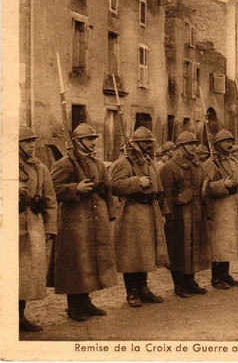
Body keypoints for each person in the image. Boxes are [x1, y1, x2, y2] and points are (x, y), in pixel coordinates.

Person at [50, 123, 118, 321]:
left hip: (97, 220)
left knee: (91, 261)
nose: (93, 142)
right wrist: (75, 188)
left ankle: (86, 301)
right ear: (77, 141)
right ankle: (74, 306)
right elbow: (52, 189)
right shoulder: (65, 163)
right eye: (89, 139)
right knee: (75, 263)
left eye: (94, 139)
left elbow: (108, 190)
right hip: (75, 221)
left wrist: (110, 213)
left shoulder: (97, 164)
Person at [111, 127, 170, 307]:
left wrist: (163, 211)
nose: (148, 146)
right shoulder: (124, 163)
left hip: (150, 210)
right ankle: (132, 292)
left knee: (145, 253)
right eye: (145, 143)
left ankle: (144, 289)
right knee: (132, 254)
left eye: (150, 143)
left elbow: (159, 189)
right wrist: (137, 182)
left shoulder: (150, 163)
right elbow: (115, 185)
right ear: (134, 144)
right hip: (132, 212)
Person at [160, 131, 210, 297]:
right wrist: (169, 217)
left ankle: (191, 280)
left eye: (194, 144)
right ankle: (179, 284)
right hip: (179, 212)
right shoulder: (169, 167)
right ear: (180, 147)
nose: (193, 147)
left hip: (195, 211)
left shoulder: (196, 166)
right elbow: (166, 195)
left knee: (194, 246)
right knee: (178, 249)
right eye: (190, 144)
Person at [18, 126, 57, 331]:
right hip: (10, 225)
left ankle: (19, 316)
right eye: (26, 141)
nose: (31, 145)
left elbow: (50, 199)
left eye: (33, 141)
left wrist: (50, 227)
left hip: (33, 224)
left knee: (26, 274)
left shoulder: (39, 167)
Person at [202, 130, 238, 289]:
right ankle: (216, 277)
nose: (229, 144)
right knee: (219, 243)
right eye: (225, 142)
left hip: (233, 206)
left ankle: (225, 273)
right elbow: (206, 188)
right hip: (219, 208)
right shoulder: (210, 164)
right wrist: (223, 184)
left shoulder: (235, 162)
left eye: (231, 141)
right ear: (216, 145)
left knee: (230, 241)